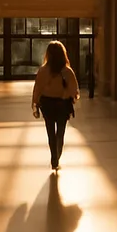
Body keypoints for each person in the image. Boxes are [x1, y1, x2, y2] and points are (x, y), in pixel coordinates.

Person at [32, 41, 80, 170]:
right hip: (63, 105)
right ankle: (57, 155)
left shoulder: (43, 71)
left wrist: (35, 104)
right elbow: (74, 90)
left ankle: (53, 156)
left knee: (50, 132)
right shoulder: (67, 71)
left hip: (47, 104)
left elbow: (37, 88)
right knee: (60, 132)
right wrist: (70, 97)